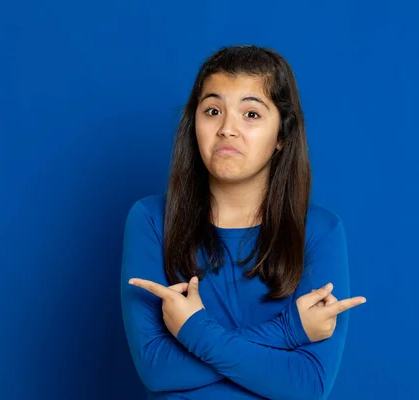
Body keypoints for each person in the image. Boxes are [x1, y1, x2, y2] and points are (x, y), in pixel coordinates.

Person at [120, 45, 366, 400]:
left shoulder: (319, 231)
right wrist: (289, 330)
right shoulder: (151, 220)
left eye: (251, 114)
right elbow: (158, 369)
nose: (227, 129)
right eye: (213, 110)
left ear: (281, 136)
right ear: (194, 125)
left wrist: (192, 331)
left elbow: (307, 385)